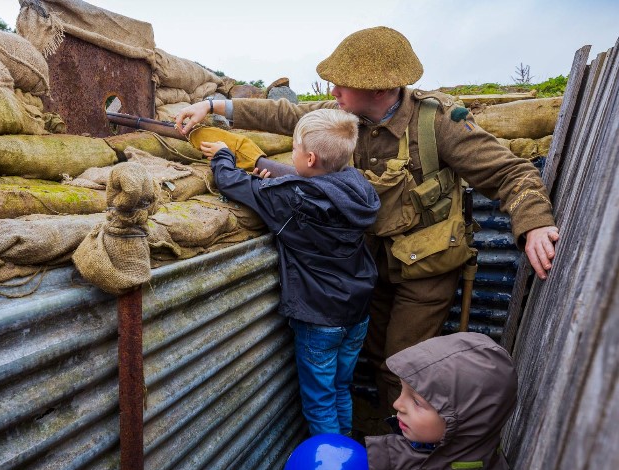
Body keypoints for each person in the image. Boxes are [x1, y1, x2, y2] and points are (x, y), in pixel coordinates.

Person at [176, 26, 559, 413]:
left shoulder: (438, 122)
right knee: (375, 356)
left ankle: (410, 454)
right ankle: (381, 438)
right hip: (370, 266)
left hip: (427, 270)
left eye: (342, 85)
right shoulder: (347, 118)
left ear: (379, 89)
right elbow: (287, 114)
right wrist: (211, 107)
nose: (332, 93)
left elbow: (511, 173)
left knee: (403, 366)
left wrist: (535, 223)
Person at [199, 108, 380, 436]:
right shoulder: (359, 186)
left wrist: (224, 156)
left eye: (295, 149)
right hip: (357, 311)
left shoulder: (288, 197)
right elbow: (314, 190)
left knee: (320, 402)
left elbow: (230, 182)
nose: (292, 154)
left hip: (320, 317)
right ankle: (349, 457)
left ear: (309, 159)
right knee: (341, 388)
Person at [274, 332, 518, 470]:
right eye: (403, 391)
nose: (397, 405)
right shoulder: (474, 453)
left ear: (462, 421)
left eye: (417, 401)